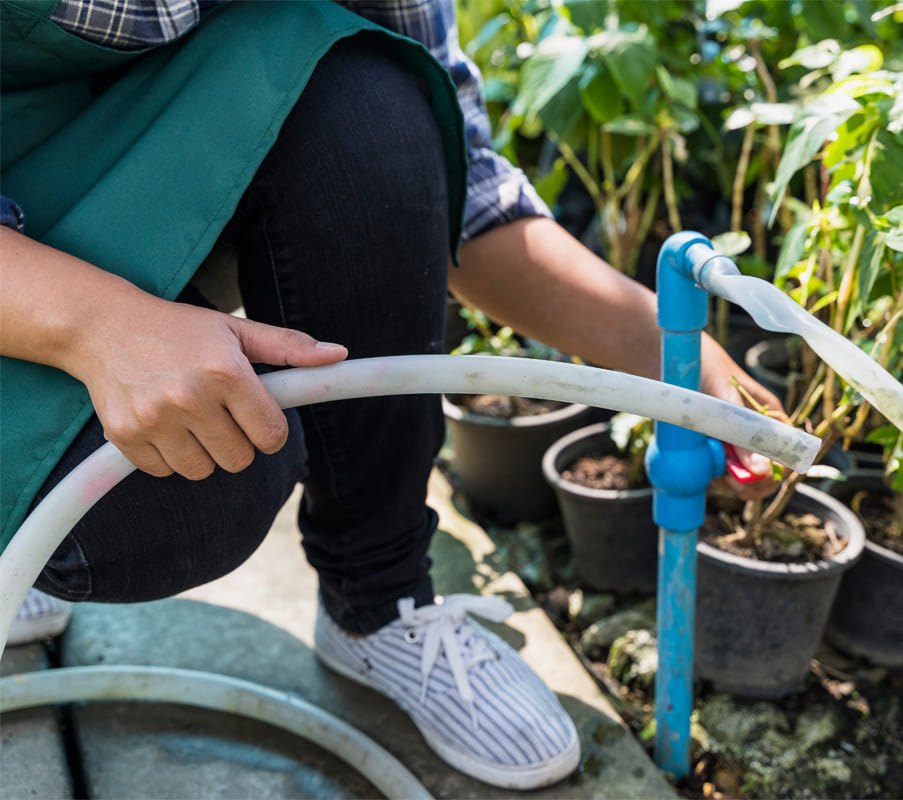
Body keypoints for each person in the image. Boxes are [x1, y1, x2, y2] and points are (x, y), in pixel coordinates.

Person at [0, 0, 781, 790]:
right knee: (178, 493)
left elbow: (459, 190)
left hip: (98, 177)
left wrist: (677, 359)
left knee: (367, 95)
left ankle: (377, 598)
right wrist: (95, 327)